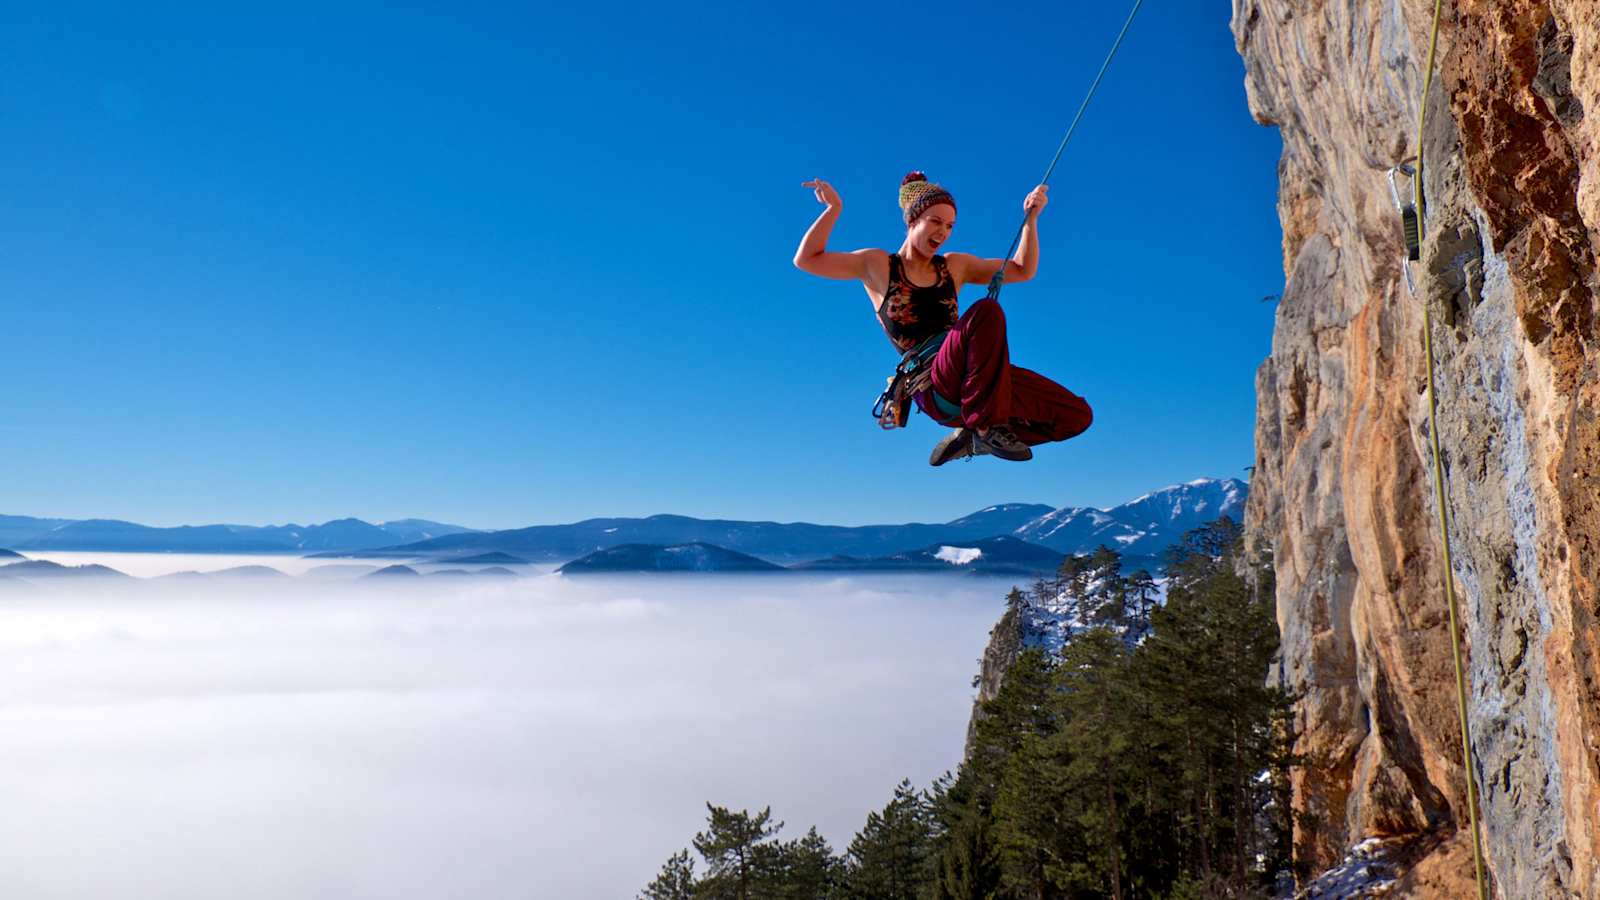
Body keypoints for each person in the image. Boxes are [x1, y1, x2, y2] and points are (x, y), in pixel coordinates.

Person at [792, 171, 1093, 465]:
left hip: (979, 380)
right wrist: (834, 209)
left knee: (1077, 416)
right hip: (935, 382)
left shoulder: (954, 266)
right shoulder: (878, 265)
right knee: (986, 312)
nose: (943, 232)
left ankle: (974, 437)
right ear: (912, 221)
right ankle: (987, 426)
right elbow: (808, 260)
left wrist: (1032, 219)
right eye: (935, 221)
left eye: (949, 225)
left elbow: (1022, 269)